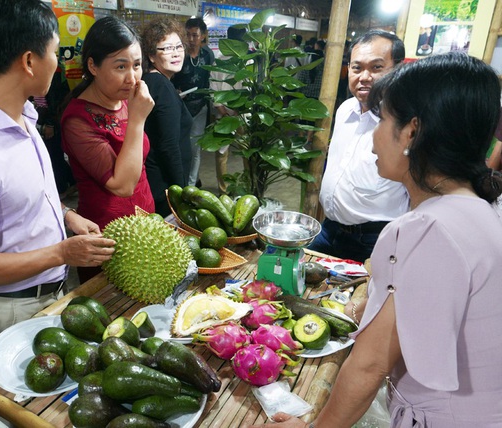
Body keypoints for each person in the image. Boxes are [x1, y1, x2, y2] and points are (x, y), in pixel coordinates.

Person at [255, 52, 502, 428]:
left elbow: (370, 365)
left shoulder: (423, 230)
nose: (373, 136)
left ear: (412, 131)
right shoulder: (480, 210)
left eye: (383, 119)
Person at [0, 0, 115, 353]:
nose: (58, 63)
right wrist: (62, 252)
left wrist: (67, 215)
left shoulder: (23, 116)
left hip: (49, 293)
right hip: (12, 310)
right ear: (30, 61)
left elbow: (26, 195)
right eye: (54, 52)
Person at [60, 16, 155, 283]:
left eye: (137, 65)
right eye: (120, 66)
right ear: (93, 65)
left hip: (146, 223)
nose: (132, 77)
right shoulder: (78, 120)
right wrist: (137, 119)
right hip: (107, 238)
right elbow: (121, 185)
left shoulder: (125, 100)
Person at [308, 30, 409, 263]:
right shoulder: (345, 110)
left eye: (376, 68)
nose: (364, 76)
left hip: (374, 240)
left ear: (398, 69)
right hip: (330, 231)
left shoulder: (405, 124)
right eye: (356, 68)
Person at [140, 16, 192, 216]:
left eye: (179, 46)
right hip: (165, 188)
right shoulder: (162, 86)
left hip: (155, 181)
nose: (176, 53)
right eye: (167, 48)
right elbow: (168, 146)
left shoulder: (151, 81)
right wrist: (182, 193)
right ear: (152, 55)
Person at [171, 18, 215, 188]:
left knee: (196, 148)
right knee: (181, 145)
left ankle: (190, 185)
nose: (190, 39)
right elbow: (171, 78)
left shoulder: (208, 55)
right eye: (187, 35)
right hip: (181, 106)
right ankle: (182, 180)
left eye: (194, 35)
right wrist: (174, 91)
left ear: (202, 36)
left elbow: (211, 79)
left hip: (201, 107)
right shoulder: (179, 54)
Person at [211, 25, 248, 195]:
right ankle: (241, 188)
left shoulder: (221, 60)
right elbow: (250, 88)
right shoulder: (247, 61)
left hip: (230, 112)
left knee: (227, 152)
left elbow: (213, 88)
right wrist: (232, 110)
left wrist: (223, 109)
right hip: (236, 113)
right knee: (242, 151)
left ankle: (224, 190)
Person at [32, 67, 76, 198]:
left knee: (54, 155)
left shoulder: (54, 76)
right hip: (42, 119)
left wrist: (51, 124)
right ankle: (71, 182)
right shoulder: (33, 76)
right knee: (51, 154)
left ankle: (63, 187)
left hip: (52, 122)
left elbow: (56, 103)